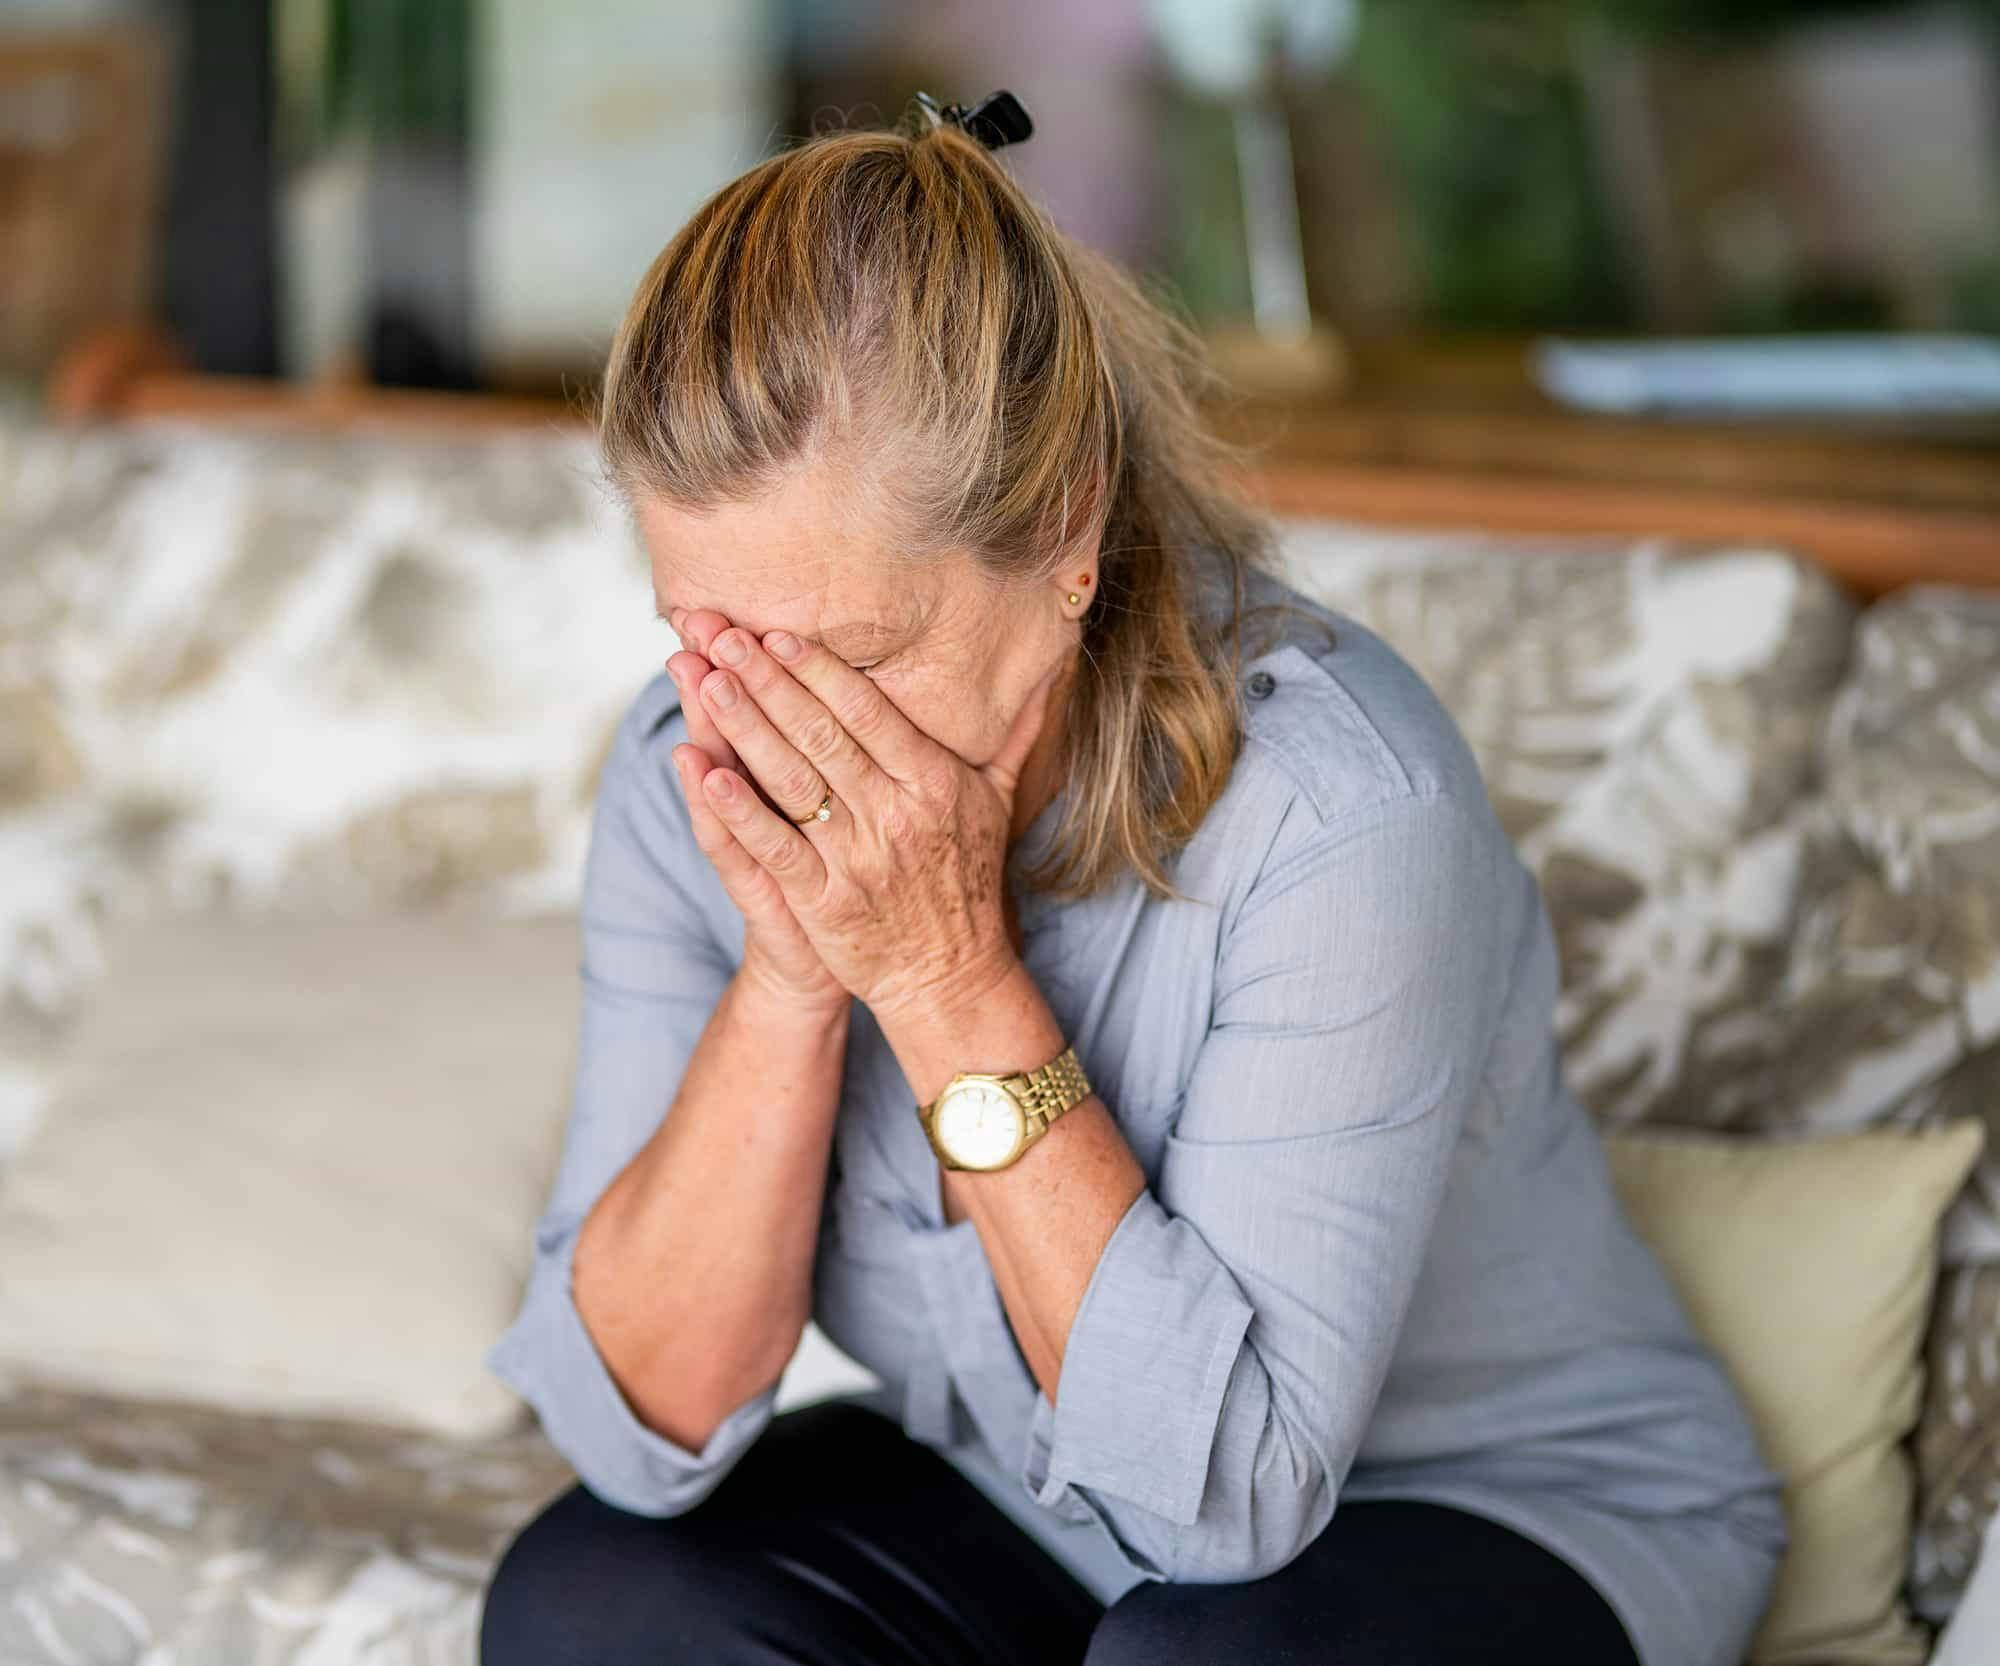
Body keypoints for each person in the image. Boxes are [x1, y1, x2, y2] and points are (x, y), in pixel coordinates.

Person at [477, 92, 1788, 1666]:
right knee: (586, 1603)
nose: (785, 730)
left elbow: (1226, 1508)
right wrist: (793, 971)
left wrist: (946, 976)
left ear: (1063, 537)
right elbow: (636, 1429)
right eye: (719, 641)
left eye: (861, 657)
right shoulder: (686, 765)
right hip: (1035, 1499)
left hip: (1489, 1504)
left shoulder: (1339, 810)